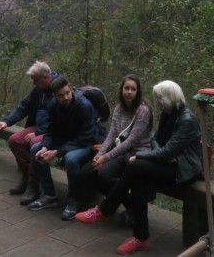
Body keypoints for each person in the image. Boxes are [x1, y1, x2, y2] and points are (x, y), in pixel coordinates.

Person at [75, 80, 202, 255]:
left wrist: (142, 155)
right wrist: (161, 152)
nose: (158, 101)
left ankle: (105, 210)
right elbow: (155, 140)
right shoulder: (168, 113)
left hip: (184, 170)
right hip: (168, 162)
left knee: (136, 166)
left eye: (160, 98)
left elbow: (165, 152)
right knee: (137, 179)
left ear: (169, 98)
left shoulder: (186, 120)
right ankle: (140, 237)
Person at [27, 76, 107, 221]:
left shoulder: (84, 106)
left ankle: (73, 200)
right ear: (54, 96)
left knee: (71, 159)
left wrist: (57, 152)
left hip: (87, 142)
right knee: (35, 150)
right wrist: (45, 146)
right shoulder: (53, 105)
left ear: (71, 88)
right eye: (60, 95)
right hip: (66, 139)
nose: (65, 97)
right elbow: (50, 130)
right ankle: (50, 195)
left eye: (67, 93)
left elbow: (86, 137)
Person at [76, 74, 153, 213]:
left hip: (138, 154)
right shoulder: (118, 108)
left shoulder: (143, 111)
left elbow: (130, 141)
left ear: (138, 92)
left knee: (109, 176)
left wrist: (105, 157)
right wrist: (99, 155)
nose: (129, 92)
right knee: (95, 173)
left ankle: (122, 209)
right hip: (122, 152)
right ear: (121, 89)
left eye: (133, 89)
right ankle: (131, 206)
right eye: (126, 88)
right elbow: (112, 135)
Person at [0, 61, 57, 205]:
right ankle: (27, 176)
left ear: (46, 77)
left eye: (35, 80)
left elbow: (60, 119)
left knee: (34, 144)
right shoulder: (38, 90)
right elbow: (23, 106)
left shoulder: (59, 89)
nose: (33, 83)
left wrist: (39, 132)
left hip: (53, 131)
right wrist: (7, 121)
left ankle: (33, 185)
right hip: (38, 128)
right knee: (15, 140)